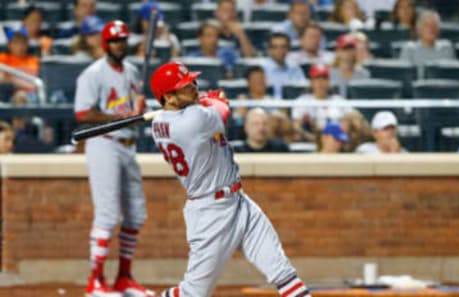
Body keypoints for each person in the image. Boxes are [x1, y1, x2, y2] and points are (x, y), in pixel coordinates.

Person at [149, 61, 309, 297]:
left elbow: (197, 108)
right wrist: (212, 100)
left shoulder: (158, 122)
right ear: (170, 98)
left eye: (193, 81)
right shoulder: (194, 120)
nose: (193, 86)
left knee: (282, 271)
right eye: (185, 85)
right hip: (210, 212)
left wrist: (200, 101)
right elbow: (222, 109)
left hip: (239, 201)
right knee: (193, 293)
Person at [74, 20, 153, 297]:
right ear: (106, 43)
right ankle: (95, 280)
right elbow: (83, 114)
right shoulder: (92, 74)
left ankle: (124, 278)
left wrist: (140, 110)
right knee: (107, 214)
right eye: (115, 40)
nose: (119, 45)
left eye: (123, 40)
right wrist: (120, 117)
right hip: (104, 144)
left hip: (129, 145)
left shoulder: (132, 72)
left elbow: (133, 113)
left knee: (135, 213)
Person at [292, 64, 351, 142]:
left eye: (324, 78)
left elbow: (352, 119)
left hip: (336, 140)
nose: (320, 82)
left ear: (329, 81)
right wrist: (312, 137)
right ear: (311, 82)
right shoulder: (302, 101)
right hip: (310, 138)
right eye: (317, 78)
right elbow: (296, 126)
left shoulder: (339, 101)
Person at [399, 9, 455, 78]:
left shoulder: (446, 48)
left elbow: (451, 76)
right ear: (419, 29)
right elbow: (405, 77)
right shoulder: (409, 49)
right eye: (427, 25)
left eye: (434, 25)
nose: (431, 28)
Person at [0, 29, 40, 101]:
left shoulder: (34, 60)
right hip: (7, 94)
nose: (20, 46)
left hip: (32, 96)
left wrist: (11, 79)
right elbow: (2, 79)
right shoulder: (2, 58)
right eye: (16, 43)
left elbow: (37, 85)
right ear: (9, 45)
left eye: (23, 43)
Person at [263, 32, 306, 99]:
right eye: (275, 47)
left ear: (288, 49)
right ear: (269, 50)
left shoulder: (295, 69)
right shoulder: (261, 69)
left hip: (291, 105)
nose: (280, 50)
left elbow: (302, 90)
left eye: (283, 47)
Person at [330, 33, 370, 98]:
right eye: (345, 49)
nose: (348, 52)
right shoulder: (329, 74)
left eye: (352, 49)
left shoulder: (363, 74)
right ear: (337, 51)